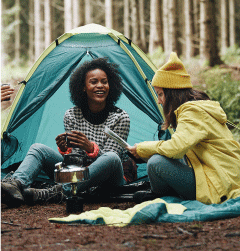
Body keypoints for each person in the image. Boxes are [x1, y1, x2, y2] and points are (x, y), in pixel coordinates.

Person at [1, 58, 131, 207]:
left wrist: (90, 148)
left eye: (104, 81)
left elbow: (108, 165)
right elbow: (75, 164)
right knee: (38, 148)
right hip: (80, 176)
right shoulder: (72, 115)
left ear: (111, 85)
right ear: (83, 87)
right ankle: (16, 184)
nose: (100, 86)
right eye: (94, 82)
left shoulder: (121, 117)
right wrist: (65, 150)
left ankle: (59, 191)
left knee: (112, 158)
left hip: (109, 181)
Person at [127, 52, 240, 205]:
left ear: (172, 92)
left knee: (155, 163)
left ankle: (161, 196)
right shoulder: (197, 108)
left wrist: (142, 148)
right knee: (158, 157)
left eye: (160, 94)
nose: (159, 101)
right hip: (216, 172)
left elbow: (176, 148)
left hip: (218, 181)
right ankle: (163, 194)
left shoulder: (192, 112)